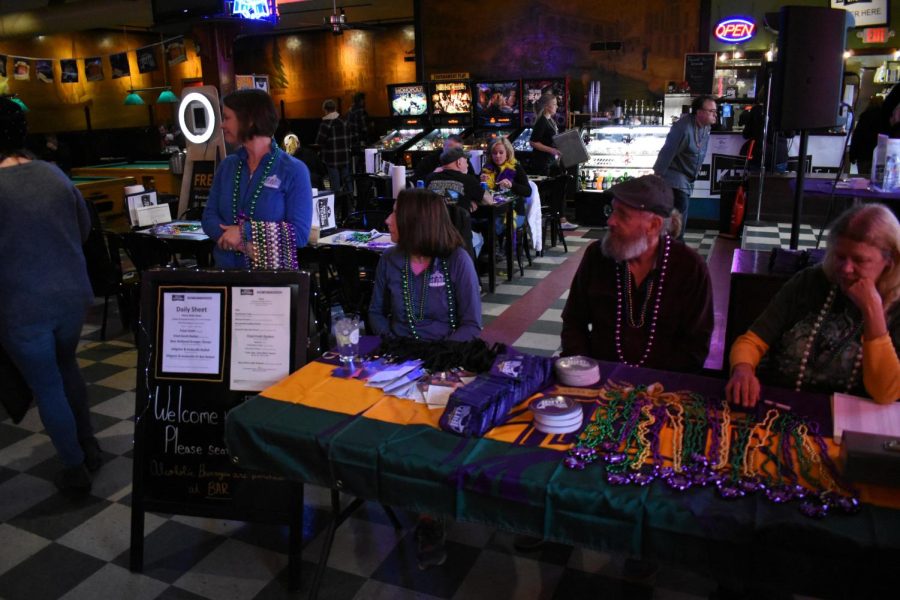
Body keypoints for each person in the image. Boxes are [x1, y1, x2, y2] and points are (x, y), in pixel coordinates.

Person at [0, 97, 101, 492]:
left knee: (46, 385)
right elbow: (84, 229)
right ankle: (90, 445)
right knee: (67, 367)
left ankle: (75, 469)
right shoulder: (54, 174)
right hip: (71, 296)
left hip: (22, 304)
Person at [726, 204, 900, 406]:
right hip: (780, 404)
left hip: (853, 420)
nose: (845, 269)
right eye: (840, 256)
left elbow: (886, 393)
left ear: (891, 260)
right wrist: (743, 369)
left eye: (860, 260)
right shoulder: (810, 281)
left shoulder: (895, 306)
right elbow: (752, 341)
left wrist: (873, 313)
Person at [561, 174, 713, 372]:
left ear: (654, 225)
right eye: (612, 210)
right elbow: (574, 321)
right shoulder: (597, 256)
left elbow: (696, 344)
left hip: (662, 387)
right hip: (598, 377)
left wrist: (653, 390)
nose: (610, 221)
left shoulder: (689, 267)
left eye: (622, 215)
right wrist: (582, 370)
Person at [202, 89, 312, 269]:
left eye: (227, 118)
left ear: (250, 120)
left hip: (270, 285)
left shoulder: (294, 170)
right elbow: (208, 217)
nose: (222, 125)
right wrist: (241, 244)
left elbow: (299, 234)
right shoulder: (228, 166)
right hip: (224, 276)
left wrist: (243, 232)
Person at [368, 188, 482, 342]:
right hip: (399, 353)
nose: (388, 220)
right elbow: (376, 313)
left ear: (416, 222)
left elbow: (471, 325)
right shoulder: (389, 258)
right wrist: (394, 345)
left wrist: (437, 355)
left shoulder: (458, 260)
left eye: (396, 214)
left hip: (446, 353)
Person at [653, 94, 717, 235]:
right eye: (711, 111)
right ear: (699, 112)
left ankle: (672, 247)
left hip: (688, 179)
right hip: (675, 179)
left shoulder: (706, 128)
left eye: (715, 112)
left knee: (679, 220)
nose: (715, 115)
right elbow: (667, 152)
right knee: (678, 221)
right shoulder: (682, 128)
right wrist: (657, 176)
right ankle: (673, 249)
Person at [426, 146, 489, 258]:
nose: (468, 165)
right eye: (466, 161)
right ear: (459, 162)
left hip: (432, 235)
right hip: (460, 237)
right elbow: (489, 201)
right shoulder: (468, 180)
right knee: (480, 239)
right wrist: (472, 199)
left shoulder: (430, 178)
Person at [529, 92, 578, 230]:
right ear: (546, 107)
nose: (557, 107)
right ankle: (559, 219)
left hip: (551, 162)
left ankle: (560, 218)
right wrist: (552, 150)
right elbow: (533, 142)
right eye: (554, 104)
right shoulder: (542, 121)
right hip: (542, 163)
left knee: (561, 186)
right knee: (557, 188)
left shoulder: (550, 120)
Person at [480, 136, 530, 234]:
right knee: (475, 223)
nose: (497, 156)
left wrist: (512, 185)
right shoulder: (487, 168)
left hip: (514, 213)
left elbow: (528, 191)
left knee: (491, 227)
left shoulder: (516, 167)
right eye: (494, 153)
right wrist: (481, 181)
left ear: (507, 153)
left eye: (501, 152)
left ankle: (494, 248)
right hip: (491, 211)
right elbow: (479, 191)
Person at [316, 98, 353, 194]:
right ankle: (350, 204)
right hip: (345, 156)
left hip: (331, 158)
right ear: (335, 108)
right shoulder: (344, 121)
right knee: (347, 181)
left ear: (325, 110)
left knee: (335, 184)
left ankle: (337, 205)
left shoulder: (325, 124)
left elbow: (319, 142)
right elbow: (350, 138)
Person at [849, 96, 883, 177]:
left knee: (863, 179)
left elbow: (857, 136)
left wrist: (852, 155)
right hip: (879, 155)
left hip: (863, 155)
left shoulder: (865, 116)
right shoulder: (885, 118)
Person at [346, 91, 369, 171]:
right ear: (360, 100)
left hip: (351, 140)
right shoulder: (360, 110)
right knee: (361, 160)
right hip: (359, 139)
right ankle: (361, 180)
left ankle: (354, 180)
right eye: (363, 100)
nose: (364, 101)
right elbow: (364, 127)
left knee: (354, 162)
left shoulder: (350, 109)